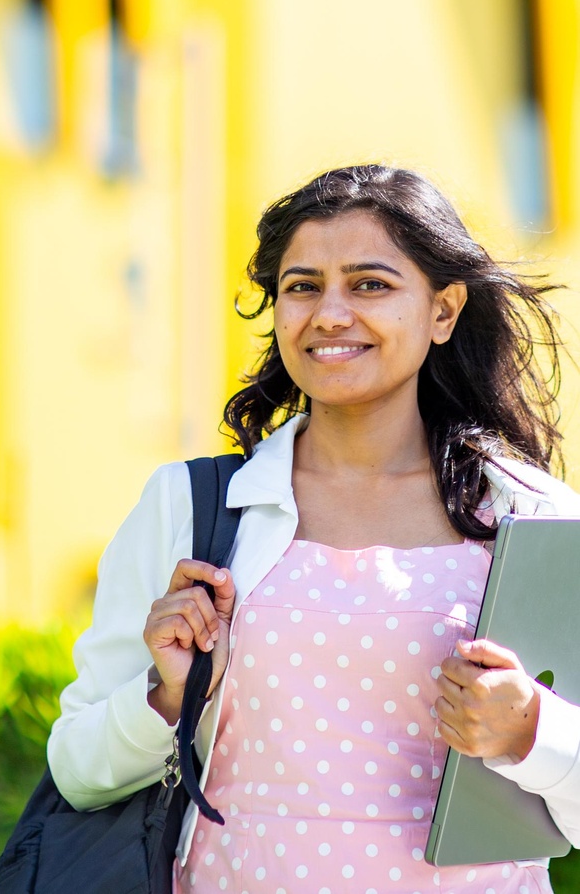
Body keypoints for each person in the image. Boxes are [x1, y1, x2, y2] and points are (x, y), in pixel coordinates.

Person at [48, 165, 580, 893]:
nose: (329, 313)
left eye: (370, 285)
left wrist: (530, 731)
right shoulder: (192, 507)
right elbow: (77, 770)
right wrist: (170, 697)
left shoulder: (536, 517)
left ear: (444, 310)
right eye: (302, 286)